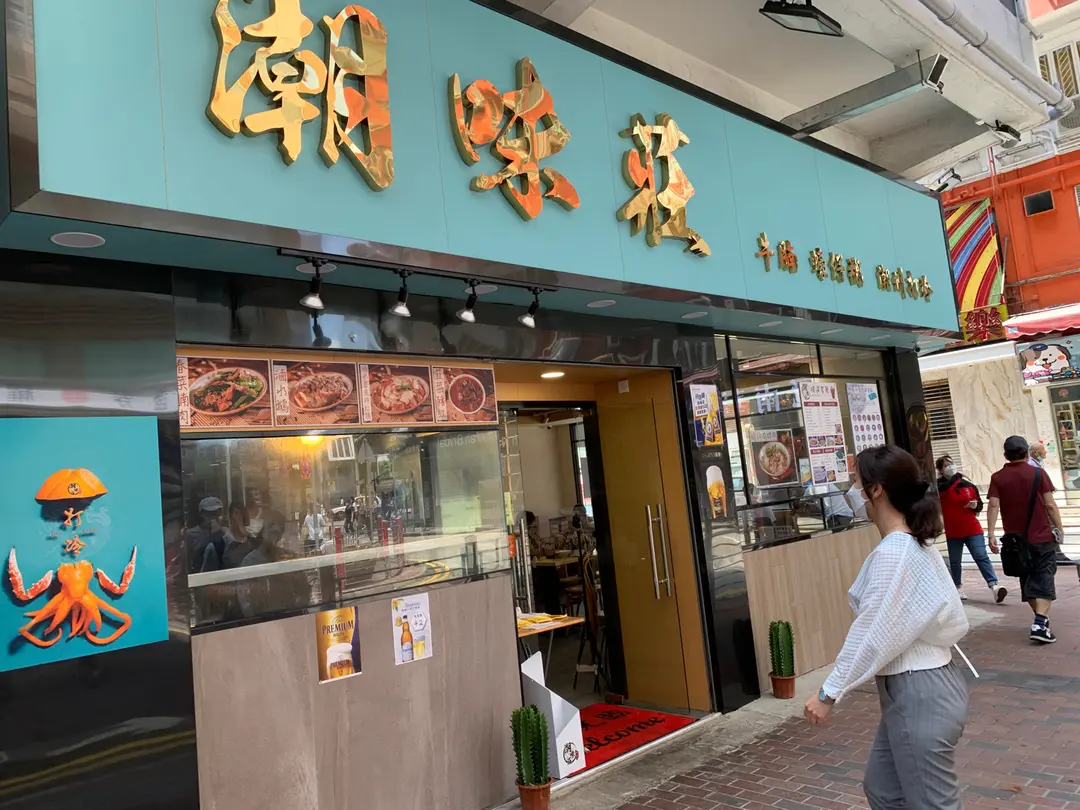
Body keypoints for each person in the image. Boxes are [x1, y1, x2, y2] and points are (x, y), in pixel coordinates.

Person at [804, 445, 969, 810]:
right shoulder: (914, 544)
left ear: (875, 490)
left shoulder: (894, 552)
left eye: (856, 483)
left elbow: (872, 633)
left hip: (919, 690)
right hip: (923, 687)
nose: (852, 491)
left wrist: (828, 693)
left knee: (931, 803)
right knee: (883, 789)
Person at [987, 435, 1064, 643]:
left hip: (1015, 541)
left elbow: (993, 504)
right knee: (1044, 577)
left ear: (1006, 455)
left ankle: (1041, 621)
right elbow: (1050, 504)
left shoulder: (997, 477)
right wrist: (1059, 528)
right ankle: (1040, 623)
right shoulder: (1038, 474)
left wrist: (991, 533)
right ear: (1026, 453)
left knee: (1027, 579)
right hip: (1041, 537)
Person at [936, 455, 1006, 603]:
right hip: (951, 532)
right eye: (946, 465)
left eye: (952, 463)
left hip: (972, 529)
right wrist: (956, 478)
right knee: (954, 561)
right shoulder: (938, 487)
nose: (951, 467)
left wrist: (975, 506)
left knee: (981, 556)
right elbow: (946, 491)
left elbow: (980, 505)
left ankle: (994, 585)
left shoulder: (967, 485)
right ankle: (957, 586)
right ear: (940, 470)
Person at [188, 496, 226, 573]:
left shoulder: (225, 532)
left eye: (217, 514)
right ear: (201, 515)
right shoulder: (191, 534)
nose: (214, 518)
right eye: (209, 514)